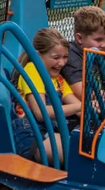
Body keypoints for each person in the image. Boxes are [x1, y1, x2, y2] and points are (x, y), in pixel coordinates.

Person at [12, 28, 81, 165]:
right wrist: (81, 106)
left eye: (65, 57)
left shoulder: (59, 80)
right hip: (31, 134)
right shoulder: (32, 70)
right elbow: (40, 113)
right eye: (56, 58)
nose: (61, 63)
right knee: (78, 150)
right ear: (38, 56)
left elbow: (78, 108)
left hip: (50, 131)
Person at [61, 6, 105, 100]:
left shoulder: (101, 51)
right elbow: (82, 92)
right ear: (79, 38)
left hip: (103, 100)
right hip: (84, 110)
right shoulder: (70, 55)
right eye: (98, 40)